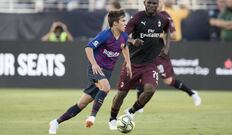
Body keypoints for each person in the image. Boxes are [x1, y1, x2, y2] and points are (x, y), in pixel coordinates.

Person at [48, 9, 132, 134]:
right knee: (106, 87)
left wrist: (128, 63)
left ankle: (55, 122)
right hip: (96, 69)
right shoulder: (105, 35)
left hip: (107, 72)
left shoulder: (124, 35)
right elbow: (88, 47)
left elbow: (124, 47)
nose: (126, 23)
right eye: (123, 21)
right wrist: (94, 64)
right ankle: (92, 117)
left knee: (81, 104)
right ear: (115, 23)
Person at [108, 0, 173, 130]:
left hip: (150, 64)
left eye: (154, 3)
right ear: (144, 3)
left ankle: (131, 111)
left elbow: (168, 32)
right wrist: (132, 41)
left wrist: (166, 48)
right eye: (149, 2)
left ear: (158, 5)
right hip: (132, 63)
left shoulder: (163, 19)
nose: (151, 5)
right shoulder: (137, 18)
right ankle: (113, 118)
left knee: (150, 90)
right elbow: (122, 35)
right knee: (121, 95)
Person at [135, 0, 201, 114]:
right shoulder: (142, 15)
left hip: (160, 54)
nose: (155, 5)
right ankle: (138, 106)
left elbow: (175, 36)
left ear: (161, 4)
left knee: (168, 81)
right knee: (142, 76)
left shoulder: (165, 16)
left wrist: (156, 34)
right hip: (146, 53)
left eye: (158, 3)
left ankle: (192, 93)